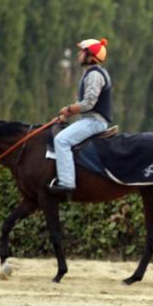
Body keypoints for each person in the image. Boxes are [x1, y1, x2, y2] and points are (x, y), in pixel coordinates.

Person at [49, 38, 112, 195]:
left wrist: (69, 109)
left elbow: (89, 103)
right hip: (88, 119)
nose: (79, 54)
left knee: (61, 140)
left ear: (90, 57)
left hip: (94, 122)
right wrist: (66, 116)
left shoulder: (95, 75)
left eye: (82, 51)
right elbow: (82, 103)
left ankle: (67, 182)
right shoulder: (89, 74)